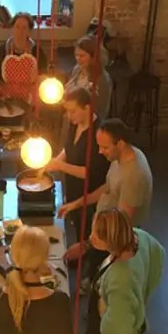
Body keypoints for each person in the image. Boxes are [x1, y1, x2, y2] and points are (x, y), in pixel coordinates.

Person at [81, 209, 165, 334]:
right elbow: (158, 252)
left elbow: (115, 330)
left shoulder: (120, 278)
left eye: (96, 235)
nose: (91, 237)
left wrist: (103, 310)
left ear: (111, 241)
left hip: (108, 329)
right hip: (114, 308)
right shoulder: (137, 236)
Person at [60, 118, 153, 292]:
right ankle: (91, 279)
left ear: (120, 144)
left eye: (104, 147)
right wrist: (76, 204)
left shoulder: (134, 176)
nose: (100, 152)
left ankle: (95, 289)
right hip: (103, 229)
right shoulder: (121, 157)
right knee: (94, 265)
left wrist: (86, 245)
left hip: (113, 240)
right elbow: (107, 187)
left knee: (105, 280)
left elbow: (119, 226)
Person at [45, 87, 110, 243]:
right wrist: (55, 161)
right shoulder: (76, 123)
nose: (69, 116)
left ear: (87, 108)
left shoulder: (99, 134)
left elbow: (90, 173)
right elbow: (68, 149)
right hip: (73, 188)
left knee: (88, 236)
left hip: (89, 196)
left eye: (73, 111)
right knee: (77, 228)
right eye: (67, 111)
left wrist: (60, 166)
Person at [0, 12, 47, 104]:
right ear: (12, 29)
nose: (20, 31)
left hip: (30, 101)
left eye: (24, 28)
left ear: (29, 31)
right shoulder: (2, 50)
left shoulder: (37, 51)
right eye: (17, 27)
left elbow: (43, 75)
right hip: (6, 101)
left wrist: (40, 86)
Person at [66, 35, 112, 120]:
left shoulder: (101, 79)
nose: (78, 59)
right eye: (76, 55)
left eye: (82, 56)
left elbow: (101, 110)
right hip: (72, 117)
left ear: (93, 56)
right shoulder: (77, 70)